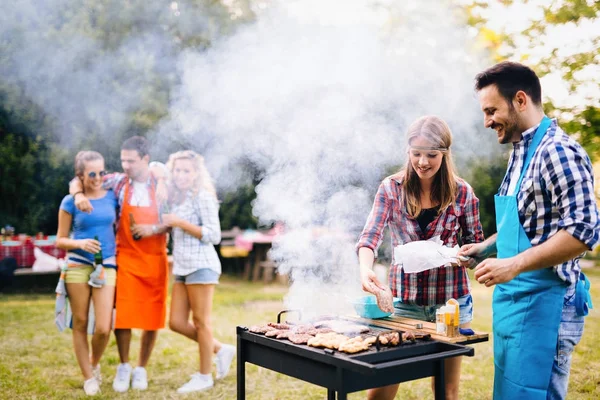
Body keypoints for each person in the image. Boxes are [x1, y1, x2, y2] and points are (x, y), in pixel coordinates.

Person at [458, 61, 599, 399]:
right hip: (516, 306)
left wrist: (513, 264)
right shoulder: (520, 153)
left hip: (547, 308)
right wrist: (486, 248)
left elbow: (583, 231)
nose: (487, 121)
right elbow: (524, 224)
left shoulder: (558, 151)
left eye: (492, 110)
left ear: (520, 100)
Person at [357, 115, 484, 400]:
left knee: (446, 390)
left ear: (445, 154)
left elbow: (476, 244)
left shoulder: (463, 193)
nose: (423, 162)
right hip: (404, 304)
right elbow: (370, 237)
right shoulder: (391, 188)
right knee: (382, 386)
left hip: (451, 304)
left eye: (431, 155)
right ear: (408, 152)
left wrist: (467, 257)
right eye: (417, 154)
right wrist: (365, 269)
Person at [69, 136, 169, 393]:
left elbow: (173, 219)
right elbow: (78, 179)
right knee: (122, 315)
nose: (125, 165)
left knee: (151, 317)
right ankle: (124, 366)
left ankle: (141, 368)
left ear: (145, 160)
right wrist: (78, 193)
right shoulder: (116, 182)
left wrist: (152, 228)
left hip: (155, 258)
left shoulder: (162, 184)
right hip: (125, 256)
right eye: (122, 159)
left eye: (131, 160)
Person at [161, 150, 235, 393]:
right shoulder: (177, 198)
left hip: (202, 265)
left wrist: (179, 222)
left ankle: (204, 376)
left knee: (201, 322)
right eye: (178, 170)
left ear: (196, 174)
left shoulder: (203, 196)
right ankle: (221, 349)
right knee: (176, 322)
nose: (181, 175)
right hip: (182, 267)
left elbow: (213, 235)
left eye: (186, 170)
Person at [56, 151, 118, 396]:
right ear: (80, 176)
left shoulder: (112, 196)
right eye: (91, 174)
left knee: (104, 327)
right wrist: (80, 244)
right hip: (77, 265)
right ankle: (88, 377)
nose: (98, 178)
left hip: (106, 265)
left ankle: (94, 362)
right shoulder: (69, 202)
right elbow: (60, 240)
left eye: (101, 172)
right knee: (80, 322)